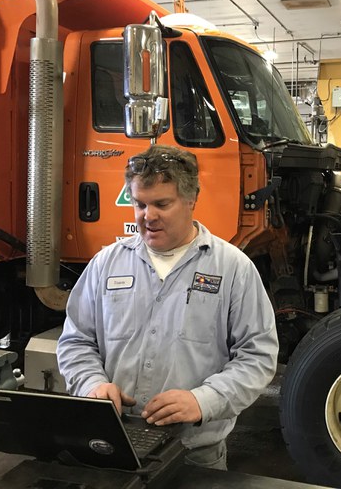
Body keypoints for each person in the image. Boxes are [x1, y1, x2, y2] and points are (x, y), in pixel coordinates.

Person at [57, 144, 278, 470]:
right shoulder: (106, 264)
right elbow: (77, 341)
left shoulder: (233, 269)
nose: (149, 216)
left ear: (191, 200)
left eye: (162, 204)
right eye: (140, 204)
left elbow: (257, 356)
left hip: (195, 456)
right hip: (114, 448)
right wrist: (93, 384)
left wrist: (203, 401)